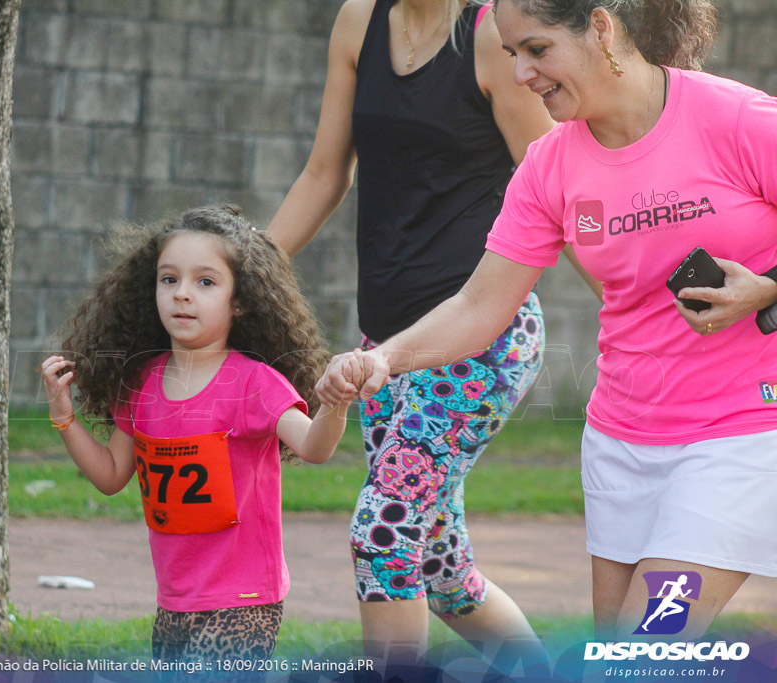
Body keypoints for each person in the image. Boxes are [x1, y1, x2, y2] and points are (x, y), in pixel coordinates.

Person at [317, 0, 777, 642]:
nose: (523, 74)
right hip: (623, 438)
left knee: (650, 646)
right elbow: (480, 306)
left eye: (536, 50)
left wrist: (768, 290)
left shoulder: (735, 118)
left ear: (600, 27)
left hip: (742, 434)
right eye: (512, 55)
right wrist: (385, 359)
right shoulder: (549, 164)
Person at [266, 0, 587, 666]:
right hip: (385, 348)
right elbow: (325, 173)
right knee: (440, 569)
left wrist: (632, 296)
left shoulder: (491, 38)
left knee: (383, 534)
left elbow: (555, 189)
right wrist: (242, 271)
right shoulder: (360, 21)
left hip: (481, 342)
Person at [40, 205, 350, 675]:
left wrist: (336, 404)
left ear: (239, 299)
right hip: (174, 599)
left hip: (243, 599)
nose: (182, 294)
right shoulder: (141, 383)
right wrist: (64, 416)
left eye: (205, 282)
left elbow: (314, 447)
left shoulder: (254, 383)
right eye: (169, 279)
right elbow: (110, 476)